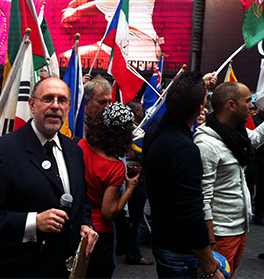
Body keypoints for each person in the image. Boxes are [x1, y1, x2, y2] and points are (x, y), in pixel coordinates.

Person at [0, 77, 99, 278]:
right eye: (48, 99)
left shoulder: (74, 150)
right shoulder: (1, 152)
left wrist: (85, 224)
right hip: (18, 270)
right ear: (32, 104)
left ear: (69, 107)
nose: (55, 106)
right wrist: (33, 222)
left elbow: (82, 202)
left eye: (62, 100)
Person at [143, 71, 224, 278]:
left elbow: (174, 103)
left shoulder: (155, 128)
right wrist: (210, 267)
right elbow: (192, 215)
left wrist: (195, 87)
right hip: (181, 254)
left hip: (163, 241)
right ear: (199, 110)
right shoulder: (184, 149)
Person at [194, 82, 264, 278]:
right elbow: (203, 199)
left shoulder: (237, 134)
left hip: (239, 228)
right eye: (247, 101)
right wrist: (210, 244)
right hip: (221, 235)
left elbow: (257, 137)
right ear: (231, 105)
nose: (252, 105)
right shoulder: (207, 144)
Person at [78, 102, 139, 278]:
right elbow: (108, 211)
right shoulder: (115, 166)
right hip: (99, 232)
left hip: (78, 223)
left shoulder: (82, 145)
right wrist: (129, 189)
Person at [124, 101, 155, 266]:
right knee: (135, 218)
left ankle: (125, 248)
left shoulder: (130, 129)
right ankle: (133, 254)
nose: (144, 112)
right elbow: (133, 154)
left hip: (130, 176)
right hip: (134, 176)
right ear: (136, 112)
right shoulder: (134, 131)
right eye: (142, 110)